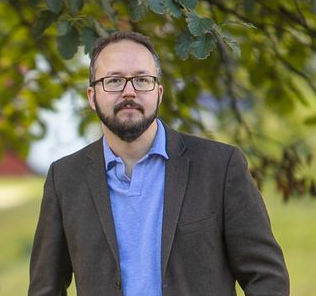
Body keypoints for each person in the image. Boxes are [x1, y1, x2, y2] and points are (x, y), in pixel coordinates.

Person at [28, 31, 289, 296]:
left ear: (159, 92)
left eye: (142, 80)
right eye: (114, 80)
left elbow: (267, 277)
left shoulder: (220, 167)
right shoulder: (65, 179)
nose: (129, 91)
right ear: (92, 96)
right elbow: (45, 288)